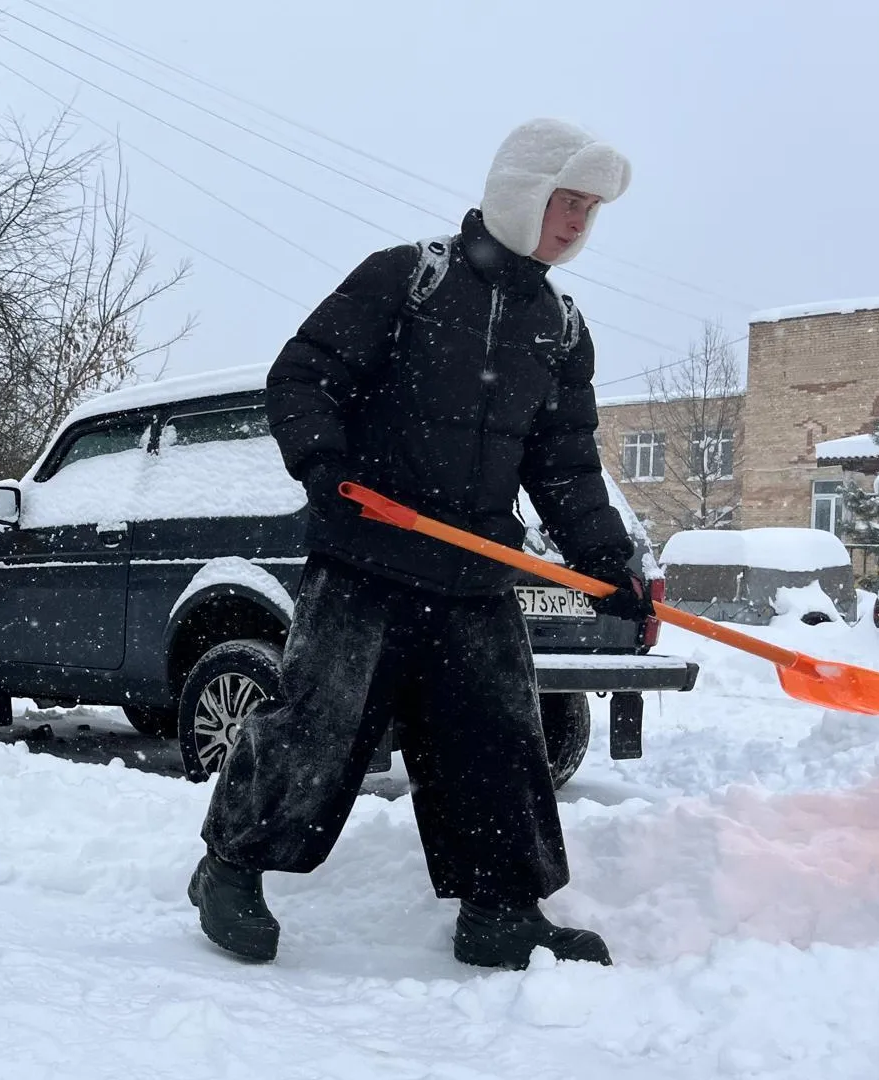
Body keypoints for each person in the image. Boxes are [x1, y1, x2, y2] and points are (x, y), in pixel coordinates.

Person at [187, 118, 653, 970]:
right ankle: (231, 866)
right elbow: (303, 376)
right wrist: (326, 467)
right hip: (368, 552)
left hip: (474, 567)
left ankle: (501, 909)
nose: (580, 222)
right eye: (567, 201)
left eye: (591, 208)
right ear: (520, 192)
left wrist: (608, 564)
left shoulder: (559, 325)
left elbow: (566, 466)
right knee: (319, 726)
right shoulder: (410, 279)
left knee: (497, 735)